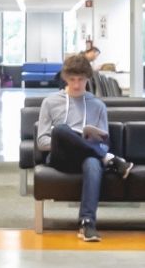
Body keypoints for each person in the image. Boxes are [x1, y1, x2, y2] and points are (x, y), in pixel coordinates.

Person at [36, 53, 134, 242]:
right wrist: (65, 140)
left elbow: (104, 143)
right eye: (72, 79)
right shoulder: (50, 102)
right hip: (60, 157)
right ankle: (111, 161)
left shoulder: (97, 105)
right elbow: (41, 141)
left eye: (81, 79)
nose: (76, 85)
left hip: (87, 157)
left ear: (88, 79)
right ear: (65, 78)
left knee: (93, 163)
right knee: (62, 131)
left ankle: (87, 222)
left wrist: (94, 148)